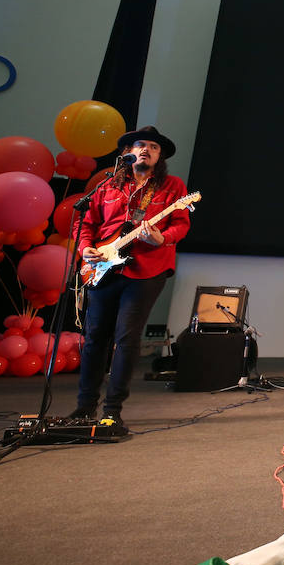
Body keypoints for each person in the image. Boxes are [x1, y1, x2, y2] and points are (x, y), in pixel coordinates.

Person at [69, 126, 191, 429]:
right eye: (141, 144)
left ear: (160, 156)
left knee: (126, 338)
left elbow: (181, 223)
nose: (147, 149)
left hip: (147, 269)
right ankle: (84, 407)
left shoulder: (172, 186)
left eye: (154, 146)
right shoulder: (107, 185)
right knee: (95, 337)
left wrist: (162, 238)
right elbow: (84, 224)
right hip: (104, 269)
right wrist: (85, 249)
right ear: (128, 152)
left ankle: (112, 410)